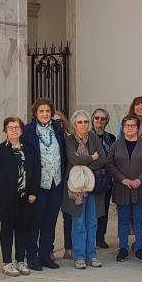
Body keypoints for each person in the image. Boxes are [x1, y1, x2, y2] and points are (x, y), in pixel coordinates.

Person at [0, 116, 38, 276]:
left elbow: (36, 172)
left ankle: (20, 260)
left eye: (16, 127)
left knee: (23, 229)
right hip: (6, 198)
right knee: (7, 229)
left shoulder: (28, 149)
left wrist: (33, 192)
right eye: (10, 127)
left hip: (24, 197)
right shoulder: (0, 150)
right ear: (5, 131)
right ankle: (7, 262)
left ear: (21, 130)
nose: (14, 130)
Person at [22, 98, 66, 271]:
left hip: (56, 181)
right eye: (41, 111)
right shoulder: (28, 131)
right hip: (38, 184)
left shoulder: (57, 128)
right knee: (35, 220)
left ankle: (45, 254)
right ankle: (31, 256)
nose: (45, 114)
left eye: (48, 111)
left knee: (50, 220)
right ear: (35, 113)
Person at [106, 114, 142, 262]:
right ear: (123, 127)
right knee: (123, 220)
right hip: (122, 188)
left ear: (138, 128)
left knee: (139, 220)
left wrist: (140, 179)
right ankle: (123, 248)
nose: (129, 128)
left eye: (132, 125)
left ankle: (139, 248)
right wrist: (122, 179)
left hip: (140, 188)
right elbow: (109, 164)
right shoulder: (116, 145)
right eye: (127, 126)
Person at [62, 111, 106, 269]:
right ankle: (79, 256)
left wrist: (84, 165)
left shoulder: (93, 138)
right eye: (80, 122)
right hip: (75, 188)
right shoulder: (69, 139)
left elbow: (102, 158)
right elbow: (73, 159)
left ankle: (91, 255)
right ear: (74, 124)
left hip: (91, 186)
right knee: (78, 223)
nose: (83, 125)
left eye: (86, 122)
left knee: (92, 221)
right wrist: (91, 158)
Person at [92, 107, 116, 249]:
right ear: (92, 120)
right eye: (97, 118)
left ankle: (100, 236)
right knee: (91, 209)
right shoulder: (87, 136)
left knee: (103, 209)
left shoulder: (111, 138)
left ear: (106, 121)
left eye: (103, 118)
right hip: (91, 178)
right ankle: (90, 237)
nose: (99, 121)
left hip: (106, 178)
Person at [53, 110, 73, 260]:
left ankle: (69, 248)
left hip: (68, 182)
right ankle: (49, 249)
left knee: (69, 217)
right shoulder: (46, 139)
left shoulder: (69, 138)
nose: (57, 124)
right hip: (53, 183)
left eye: (59, 121)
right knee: (50, 218)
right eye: (54, 121)